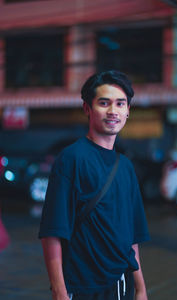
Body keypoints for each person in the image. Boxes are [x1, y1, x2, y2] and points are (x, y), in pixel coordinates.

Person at [39, 70, 150, 300]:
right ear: (87, 108)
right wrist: (59, 293)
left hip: (120, 285)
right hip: (82, 288)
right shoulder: (71, 159)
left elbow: (132, 238)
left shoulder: (126, 167)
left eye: (120, 104)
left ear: (128, 111)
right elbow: (52, 233)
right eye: (104, 103)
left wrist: (140, 289)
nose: (113, 111)